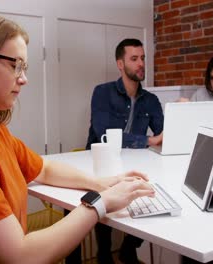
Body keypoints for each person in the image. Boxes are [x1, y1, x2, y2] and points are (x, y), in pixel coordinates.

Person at [0, 11, 155, 264]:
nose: (24, 79)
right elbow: (20, 256)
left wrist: (102, 183)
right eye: (15, 65)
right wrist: (100, 203)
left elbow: (44, 168)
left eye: (24, 67)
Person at [79, 39, 163, 264]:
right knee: (100, 195)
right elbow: (103, 131)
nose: (141, 64)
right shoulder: (103, 92)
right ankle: (104, 254)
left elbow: (163, 133)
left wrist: (179, 117)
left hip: (133, 163)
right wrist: (149, 140)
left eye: (143, 58)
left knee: (155, 191)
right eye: (134, 59)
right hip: (100, 163)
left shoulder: (151, 100)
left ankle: (129, 247)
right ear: (120, 64)